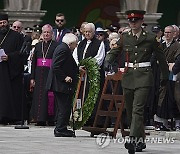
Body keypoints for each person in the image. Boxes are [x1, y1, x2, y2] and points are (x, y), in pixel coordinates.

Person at [111, 10, 169, 154]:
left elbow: (161, 58)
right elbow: (115, 51)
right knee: (131, 111)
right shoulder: (125, 37)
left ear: (142, 21)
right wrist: (108, 60)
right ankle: (140, 140)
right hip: (129, 76)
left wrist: (165, 76)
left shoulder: (150, 38)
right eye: (131, 21)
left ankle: (132, 140)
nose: (133, 23)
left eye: (136, 20)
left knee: (138, 109)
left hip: (144, 76)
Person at [73, 23, 105, 126]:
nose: (87, 34)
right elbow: (75, 57)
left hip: (93, 75)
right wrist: (79, 66)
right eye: (85, 32)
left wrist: (88, 66)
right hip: (81, 75)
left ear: (94, 32)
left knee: (92, 97)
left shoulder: (99, 43)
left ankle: (92, 120)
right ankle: (79, 119)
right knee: (80, 96)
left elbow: (99, 58)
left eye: (89, 32)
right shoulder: (80, 44)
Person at [46, 33, 78, 137]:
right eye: (75, 44)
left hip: (60, 84)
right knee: (64, 107)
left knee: (64, 106)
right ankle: (60, 129)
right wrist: (65, 77)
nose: (76, 46)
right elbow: (56, 66)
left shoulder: (62, 47)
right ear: (71, 43)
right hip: (60, 84)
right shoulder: (63, 49)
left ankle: (61, 127)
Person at [30, 24, 59, 126]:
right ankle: (39, 119)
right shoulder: (38, 46)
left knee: (49, 97)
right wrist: (32, 77)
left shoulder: (56, 45)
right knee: (39, 96)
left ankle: (50, 119)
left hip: (50, 74)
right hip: (38, 74)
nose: (46, 34)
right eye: (45, 32)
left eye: (48, 32)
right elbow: (33, 62)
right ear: (42, 33)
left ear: (52, 34)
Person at [0, 13, 24, 124]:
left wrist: (9, 57)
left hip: (10, 70)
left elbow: (21, 53)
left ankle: (9, 117)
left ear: (8, 23)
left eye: (4, 22)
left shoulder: (16, 36)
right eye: (0, 23)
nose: (2, 25)